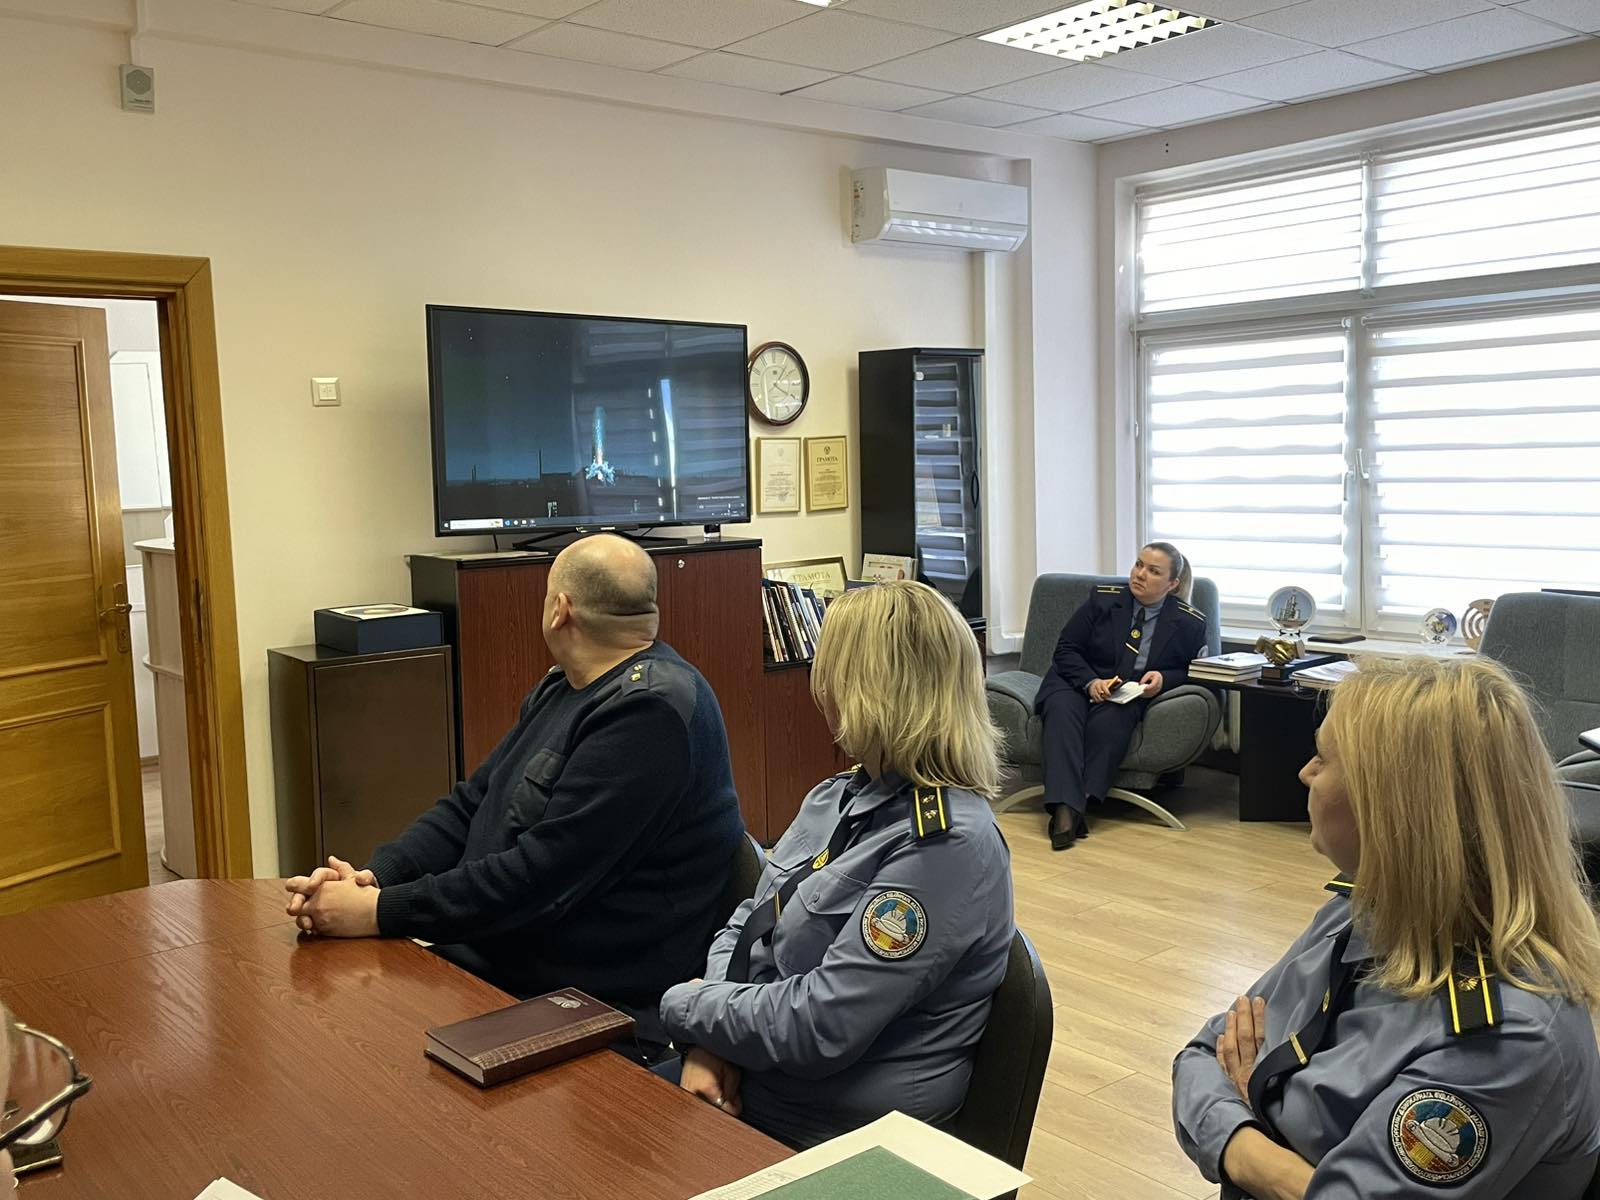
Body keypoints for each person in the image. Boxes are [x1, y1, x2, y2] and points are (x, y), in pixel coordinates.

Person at [284, 534, 746, 1039]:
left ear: (559, 610)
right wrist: (374, 878)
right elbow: (471, 805)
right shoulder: (568, 685)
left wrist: (379, 912)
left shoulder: (650, 713)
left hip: (584, 997)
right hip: (500, 955)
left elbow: (538, 882)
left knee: (346, 1034)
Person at [1173, 657, 1600, 1199]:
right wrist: (1261, 1153)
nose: (1305, 773)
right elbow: (1202, 1054)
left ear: (1395, 805)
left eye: (1323, 758)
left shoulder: (1507, 1037)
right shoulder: (1360, 910)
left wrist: (1245, 1109)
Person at [659, 581, 1014, 1148]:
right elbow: (750, 923)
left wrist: (687, 1007)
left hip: (835, 1130)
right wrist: (710, 1041)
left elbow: (821, 1025)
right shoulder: (837, 797)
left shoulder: (947, 845)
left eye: (830, 670)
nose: (818, 687)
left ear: (869, 688)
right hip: (756, 1074)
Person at [1034, 542, 1208, 849]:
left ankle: (1074, 805)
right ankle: (1066, 811)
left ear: (1172, 584)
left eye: (1153, 571)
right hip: (1074, 681)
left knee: (1113, 721)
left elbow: (1193, 670)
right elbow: (1066, 650)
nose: (1140, 574)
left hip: (1127, 693)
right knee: (1061, 713)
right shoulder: (1102, 600)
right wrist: (1090, 682)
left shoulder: (1189, 622)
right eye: (1138, 564)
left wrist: (1164, 678)